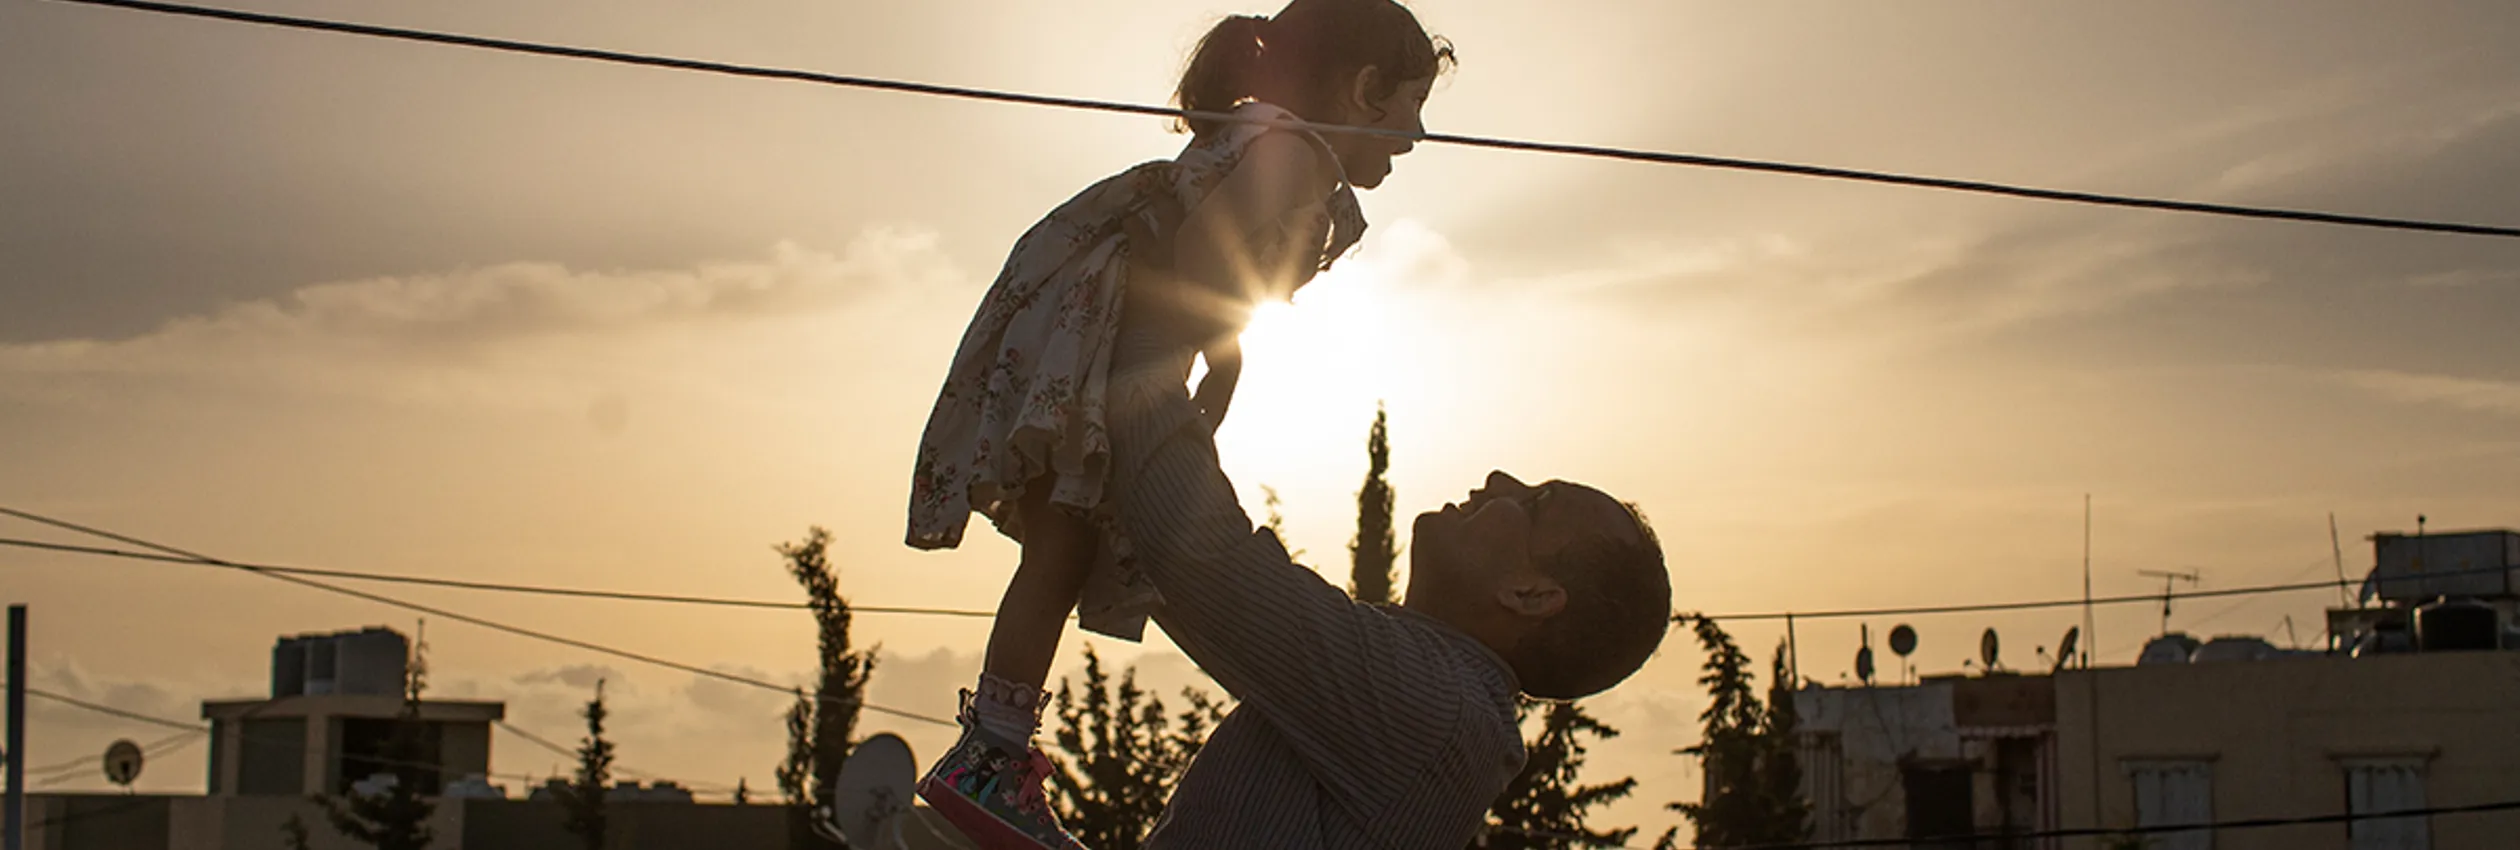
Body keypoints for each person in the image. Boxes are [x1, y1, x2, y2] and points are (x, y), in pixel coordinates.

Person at [899, 2, 1454, 846]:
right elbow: (1202, 258)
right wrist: (1212, 342)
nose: (1415, 137)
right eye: (1414, 105)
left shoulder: (1273, 143)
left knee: (1064, 548)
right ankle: (989, 761)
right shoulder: (1298, 155)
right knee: (1061, 548)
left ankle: (995, 752)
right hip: (1107, 345)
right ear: (1368, 88)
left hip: (1091, 332)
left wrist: (1220, 353)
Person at [1102, 327, 1673, 845]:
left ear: (1529, 596)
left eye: (1536, 502)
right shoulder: (1438, 708)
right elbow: (1178, 563)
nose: (1501, 480)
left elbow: (1205, 561)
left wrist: (1152, 338)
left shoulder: (1430, 707)